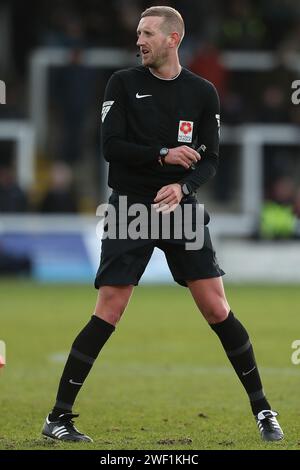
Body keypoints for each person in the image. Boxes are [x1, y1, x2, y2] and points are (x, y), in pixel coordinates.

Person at [42, 6, 284, 443]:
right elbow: (110, 146)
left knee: (216, 308)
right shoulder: (123, 83)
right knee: (110, 309)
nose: (140, 41)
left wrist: (184, 187)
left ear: (173, 39)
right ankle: (58, 416)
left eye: (148, 34)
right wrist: (162, 156)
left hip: (181, 210)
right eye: (138, 33)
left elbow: (209, 158)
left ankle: (264, 411)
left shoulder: (203, 92)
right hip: (131, 208)